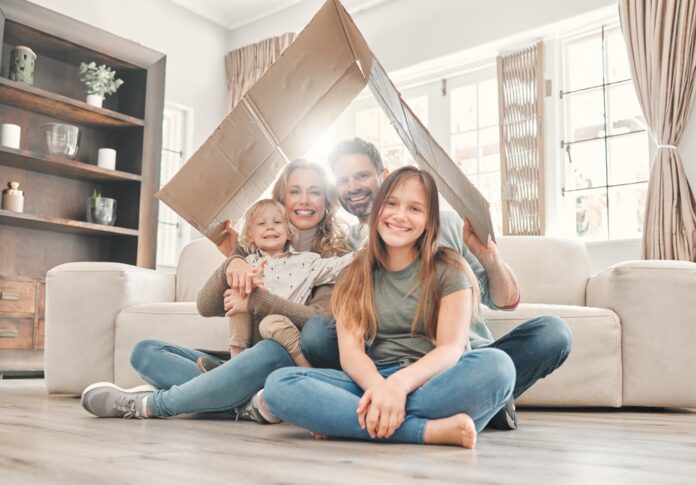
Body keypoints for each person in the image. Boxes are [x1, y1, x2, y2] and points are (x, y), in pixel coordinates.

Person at [300, 137, 573, 430]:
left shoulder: (449, 225)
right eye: (343, 180)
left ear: (384, 176)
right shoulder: (348, 246)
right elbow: (285, 245)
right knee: (316, 334)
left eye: (362, 175)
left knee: (552, 334)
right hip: (386, 365)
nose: (353, 186)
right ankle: (467, 408)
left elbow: (506, 301)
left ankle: (377, 412)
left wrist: (490, 258)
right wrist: (241, 257)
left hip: (458, 358)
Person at [264, 166, 516, 447]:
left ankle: (348, 422)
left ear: (429, 219)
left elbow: (450, 349)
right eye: (392, 204)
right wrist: (380, 389)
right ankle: (428, 431)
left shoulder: (450, 269)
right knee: (279, 385)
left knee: (500, 366)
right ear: (378, 209)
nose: (399, 216)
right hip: (373, 380)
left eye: (414, 209)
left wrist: (398, 387)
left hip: (432, 380)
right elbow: (351, 354)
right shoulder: (354, 273)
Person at [81, 159, 348, 423]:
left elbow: (318, 320)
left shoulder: (330, 261)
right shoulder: (253, 248)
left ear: (326, 203)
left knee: (269, 348)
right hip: (242, 362)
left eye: (315, 192)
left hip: (281, 356)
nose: (304, 200)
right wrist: (234, 261)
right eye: (295, 191)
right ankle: (242, 401)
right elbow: (206, 306)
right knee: (146, 352)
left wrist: (256, 301)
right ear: (281, 199)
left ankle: (150, 405)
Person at [221, 198, 353, 367]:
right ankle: (235, 364)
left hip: (286, 329)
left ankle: (306, 368)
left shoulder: (306, 261)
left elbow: (338, 266)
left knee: (270, 322)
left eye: (277, 222)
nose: (270, 227)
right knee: (235, 298)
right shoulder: (246, 263)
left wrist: (368, 251)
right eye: (261, 223)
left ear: (289, 232)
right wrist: (249, 284)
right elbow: (224, 287)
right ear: (250, 236)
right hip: (254, 333)